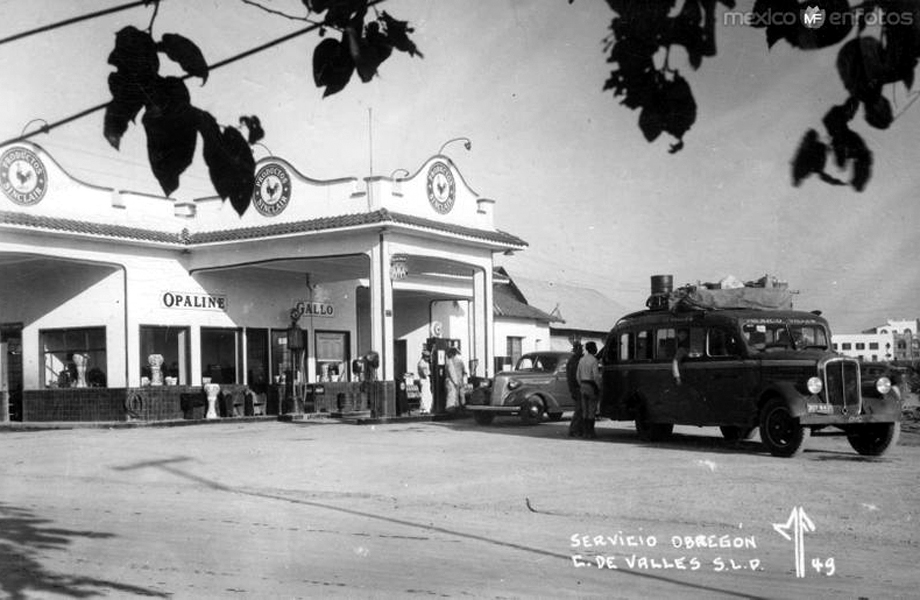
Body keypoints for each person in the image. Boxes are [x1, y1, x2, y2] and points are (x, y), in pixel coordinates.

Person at [577, 341, 601, 439]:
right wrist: (598, 387)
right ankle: (591, 433)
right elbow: (595, 375)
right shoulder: (594, 360)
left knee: (585, 410)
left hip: (583, 385)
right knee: (591, 410)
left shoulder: (582, 360)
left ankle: (585, 432)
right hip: (591, 385)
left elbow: (577, 375)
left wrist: (581, 384)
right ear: (593, 349)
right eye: (595, 347)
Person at [566, 341, 584, 437]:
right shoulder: (574, 362)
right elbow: (574, 377)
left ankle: (577, 429)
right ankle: (574, 430)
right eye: (580, 349)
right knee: (579, 410)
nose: (581, 351)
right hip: (577, 387)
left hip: (575, 387)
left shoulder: (573, 361)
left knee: (580, 409)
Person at [417, 348, 433, 413]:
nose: (428, 358)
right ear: (424, 356)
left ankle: (426, 408)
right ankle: (424, 409)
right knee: (425, 394)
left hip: (426, 379)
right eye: (427, 357)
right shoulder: (422, 363)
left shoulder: (425, 362)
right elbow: (424, 372)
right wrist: (428, 375)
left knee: (428, 395)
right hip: (424, 379)